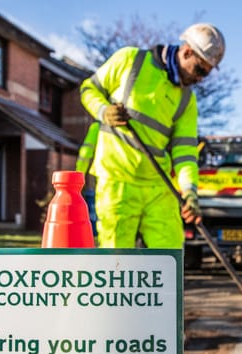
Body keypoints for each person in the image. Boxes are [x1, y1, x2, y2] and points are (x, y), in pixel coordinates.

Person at [79, 23, 226, 249]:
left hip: (158, 185)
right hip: (117, 177)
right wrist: (103, 111)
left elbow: (185, 152)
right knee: (116, 258)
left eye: (206, 74)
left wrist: (189, 192)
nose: (201, 79)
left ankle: (168, 287)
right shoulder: (130, 60)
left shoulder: (187, 100)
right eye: (200, 70)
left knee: (170, 254)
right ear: (187, 52)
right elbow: (89, 89)